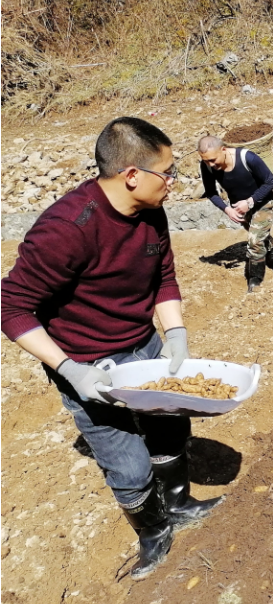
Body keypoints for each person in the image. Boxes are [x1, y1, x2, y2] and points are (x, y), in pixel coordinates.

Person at [0, 117, 221, 579]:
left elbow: (163, 277)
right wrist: (69, 369)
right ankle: (153, 532)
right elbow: (12, 308)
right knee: (127, 461)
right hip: (89, 362)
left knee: (168, 428)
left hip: (144, 343)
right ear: (132, 175)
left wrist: (174, 334)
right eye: (169, 172)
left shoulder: (149, 210)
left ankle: (178, 504)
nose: (175, 183)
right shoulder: (67, 228)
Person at [198, 135, 273, 293]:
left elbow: (271, 181)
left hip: (262, 202)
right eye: (205, 160)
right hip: (238, 208)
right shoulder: (207, 166)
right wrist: (227, 209)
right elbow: (211, 192)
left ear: (223, 150)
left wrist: (250, 202)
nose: (209, 164)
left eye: (212, 159)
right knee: (258, 234)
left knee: (255, 241)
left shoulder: (247, 158)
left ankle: (255, 278)